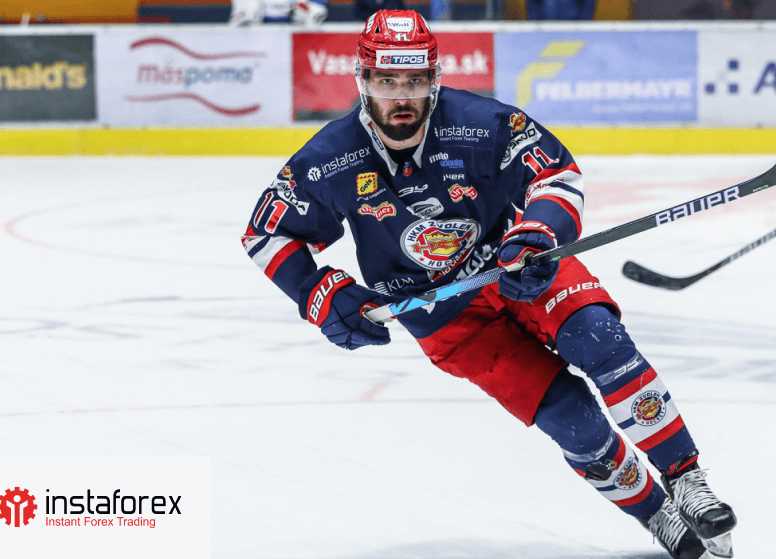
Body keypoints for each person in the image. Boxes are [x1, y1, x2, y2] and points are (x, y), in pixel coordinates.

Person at [241, 9, 736, 559]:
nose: (401, 97)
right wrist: (321, 295)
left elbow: (557, 174)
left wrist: (538, 232)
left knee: (598, 337)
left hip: (515, 266)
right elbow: (265, 234)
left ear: (434, 78)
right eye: (386, 81)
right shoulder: (330, 157)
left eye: (414, 81)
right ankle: (656, 513)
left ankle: (687, 480)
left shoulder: (480, 123)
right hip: (440, 316)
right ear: (362, 80)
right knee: (572, 421)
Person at [229, 0, 328, 26]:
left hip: (297, 40)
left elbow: (318, 11)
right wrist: (245, 14)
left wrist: (311, 11)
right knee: (249, 10)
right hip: (255, 39)